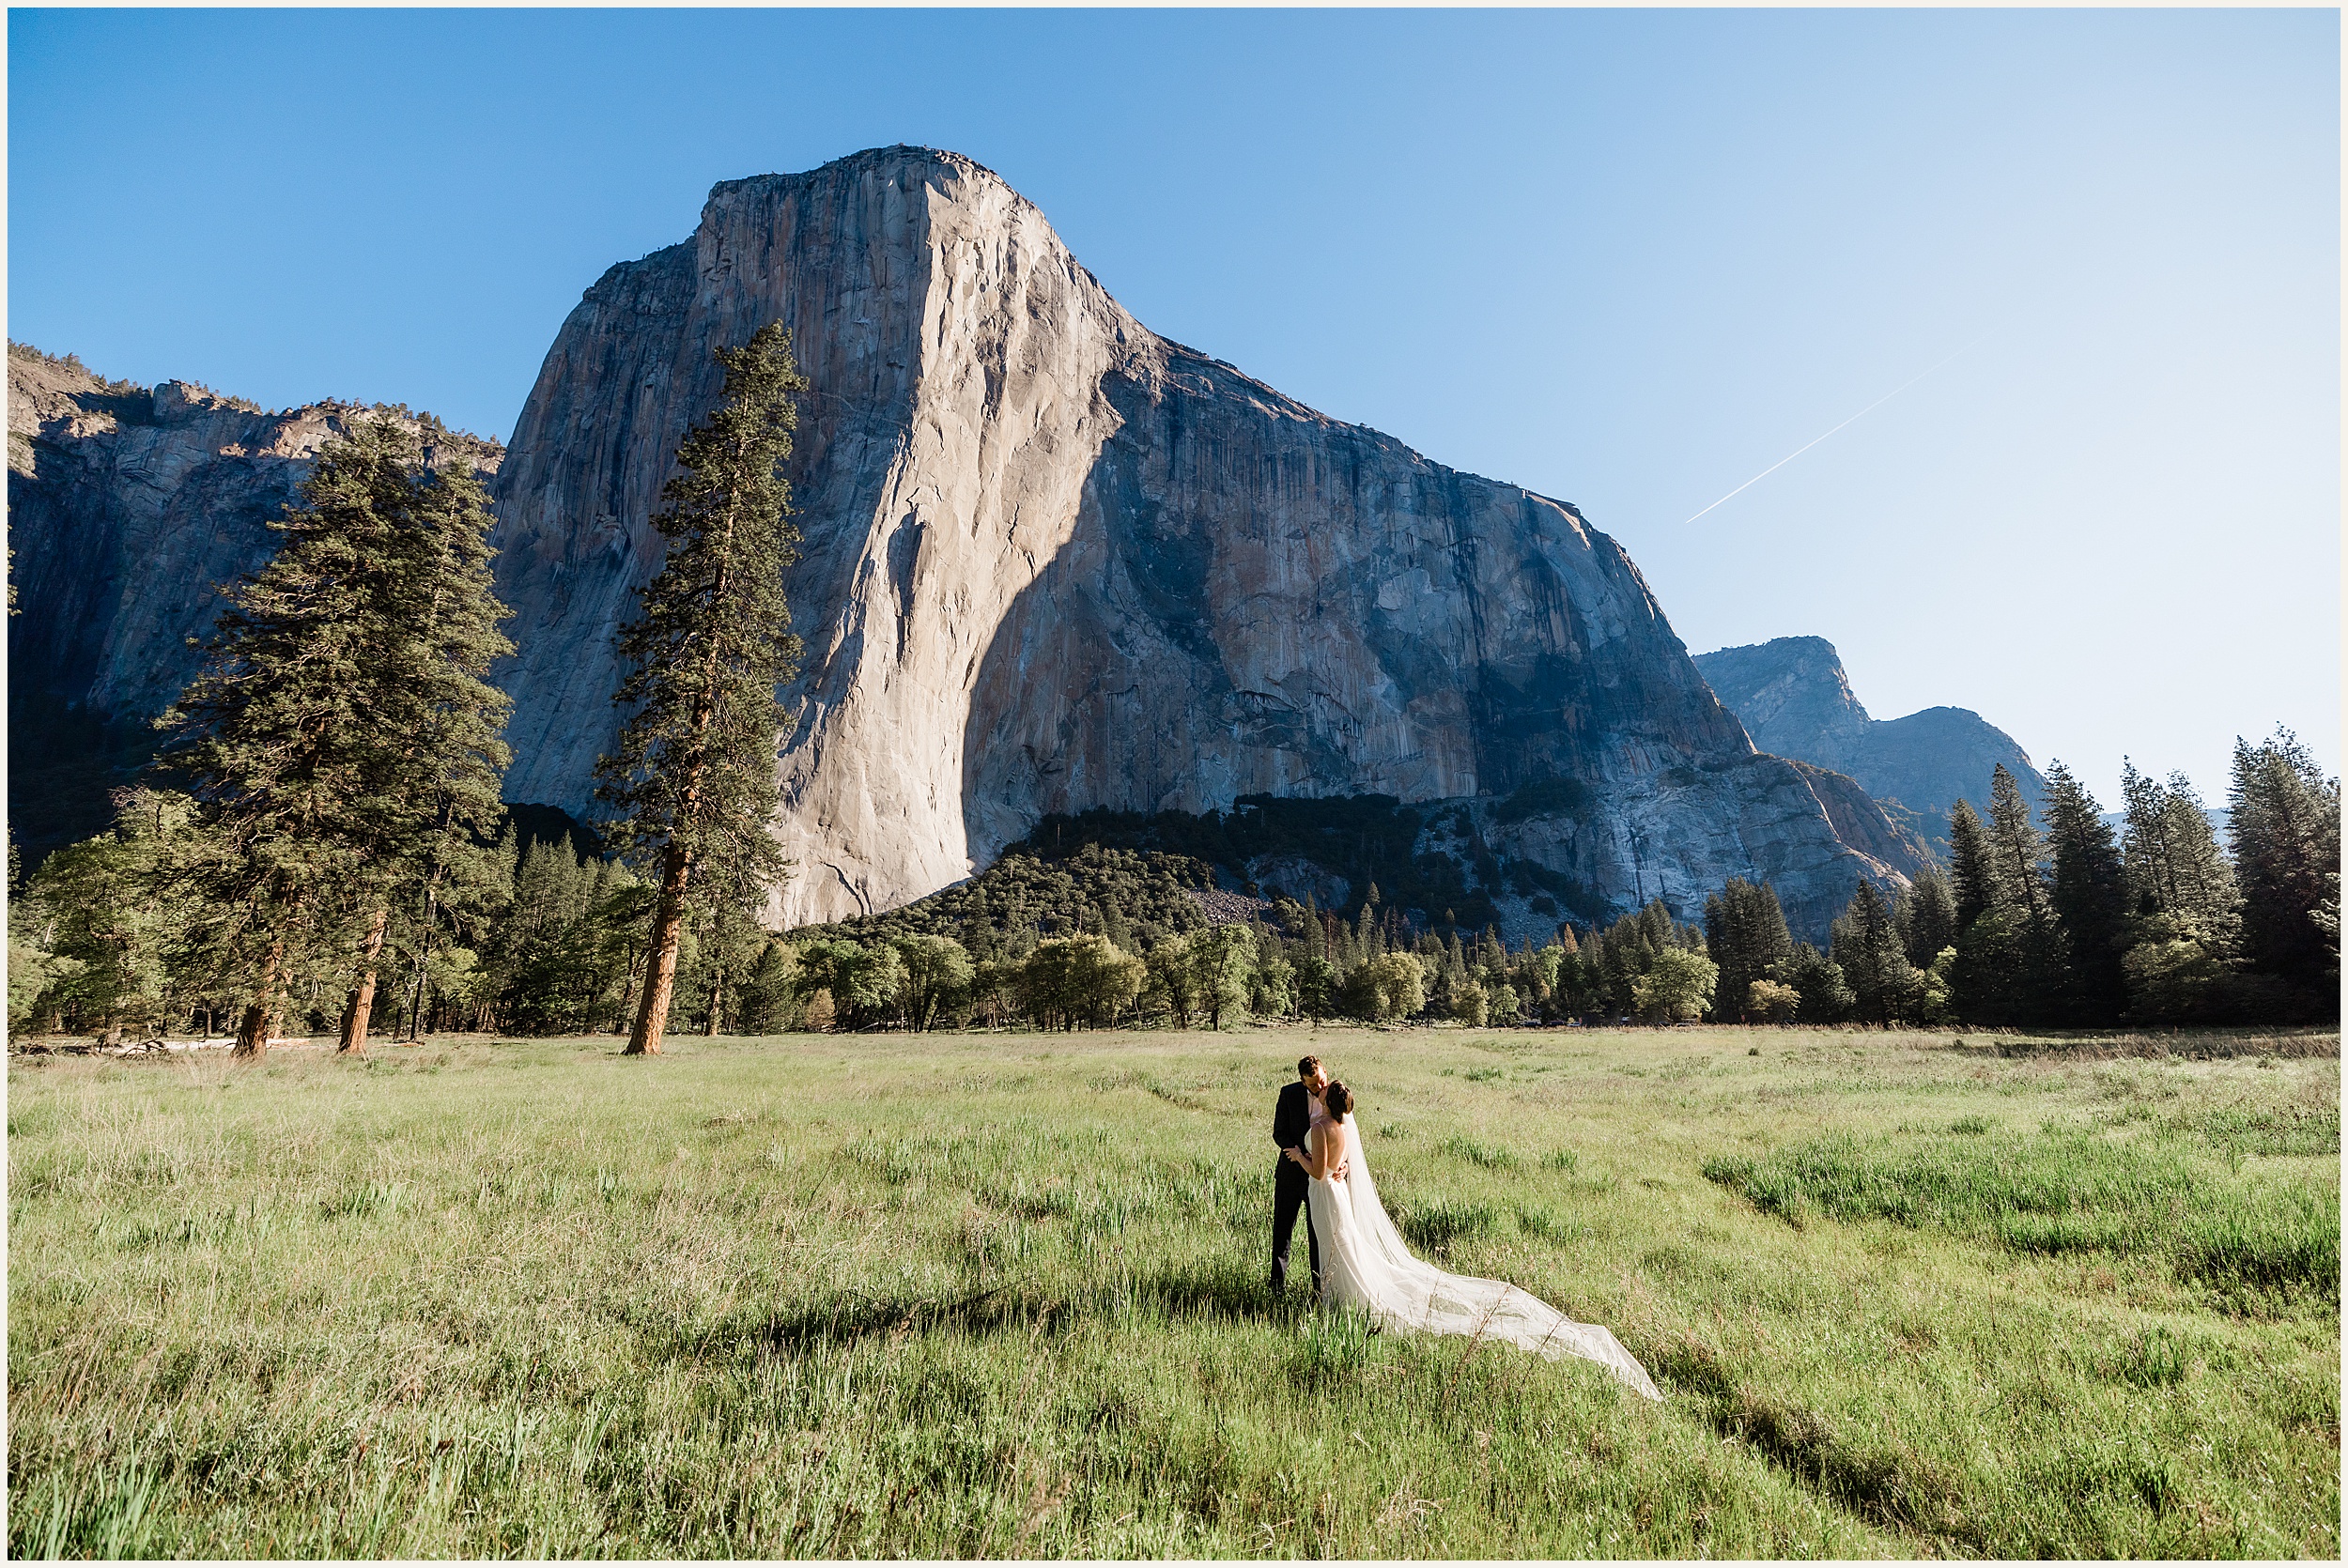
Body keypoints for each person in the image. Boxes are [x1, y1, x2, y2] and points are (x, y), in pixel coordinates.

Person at [1301, 1079, 1662, 1400]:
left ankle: (1343, 1301)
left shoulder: (1320, 1128)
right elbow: (1338, 1164)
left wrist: (1298, 1157)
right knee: (1343, 1245)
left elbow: (1319, 1171)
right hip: (1338, 1192)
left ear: (1325, 1101)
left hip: (1325, 1192)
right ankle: (1341, 1297)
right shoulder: (1345, 1128)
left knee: (1337, 1246)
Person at [1270, 1055, 1342, 1292]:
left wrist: (1345, 1163)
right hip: (1291, 1175)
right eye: (1312, 1085)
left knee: (1318, 1237)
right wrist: (1299, 1153)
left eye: (1321, 1081)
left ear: (1325, 1071)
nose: (1319, 1087)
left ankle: (1318, 1289)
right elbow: (1279, 1132)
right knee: (1282, 1233)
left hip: (1321, 1182)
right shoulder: (1288, 1094)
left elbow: (1344, 1135)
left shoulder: (1336, 1094)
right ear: (1302, 1082)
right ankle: (1276, 1287)